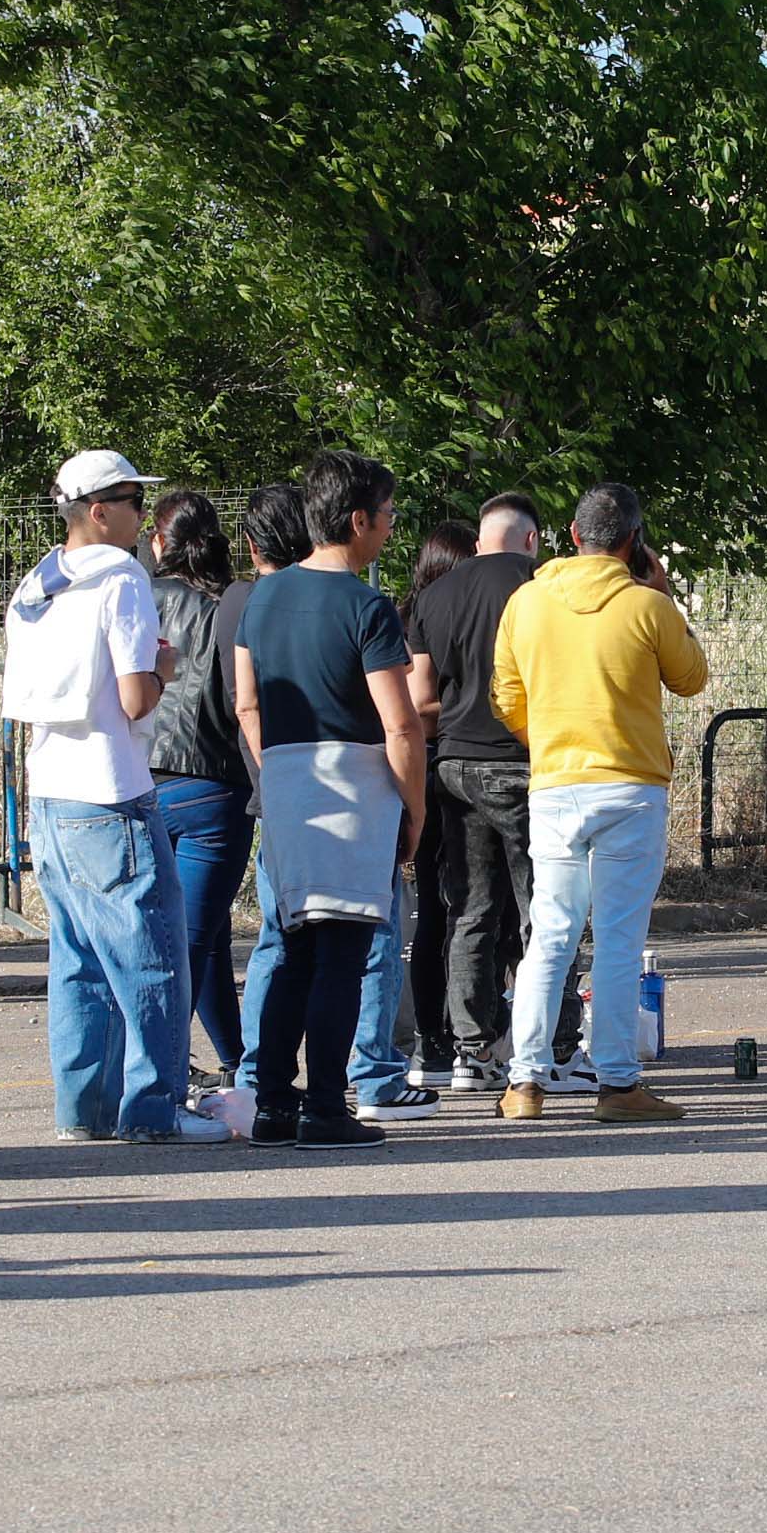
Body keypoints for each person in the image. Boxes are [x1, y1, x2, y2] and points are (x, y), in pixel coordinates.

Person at [0, 450, 222, 1146]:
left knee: (78, 958)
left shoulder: (39, 580)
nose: (139, 516)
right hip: (113, 790)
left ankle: (84, 1110)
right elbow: (133, 698)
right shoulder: (123, 576)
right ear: (99, 509)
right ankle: (155, 1110)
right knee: (151, 953)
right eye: (130, 501)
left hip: (52, 788)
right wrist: (161, 669)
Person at [488, 481, 707, 1125]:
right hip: (631, 788)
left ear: (573, 537)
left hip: (555, 785)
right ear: (633, 543)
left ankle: (524, 1082)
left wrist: (550, 741)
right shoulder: (646, 605)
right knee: (617, 939)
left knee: (549, 934)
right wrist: (665, 596)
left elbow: (506, 697)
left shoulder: (525, 603)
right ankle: (616, 1083)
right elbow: (691, 678)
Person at [231, 449, 430, 1146]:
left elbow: (246, 703)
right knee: (343, 953)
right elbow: (400, 721)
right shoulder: (367, 606)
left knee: (290, 947)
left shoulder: (263, 597)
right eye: (386, 515)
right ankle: (324, 1108)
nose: (390, 526)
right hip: (352, 784)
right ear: (357, 519)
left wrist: (275, 773)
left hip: (284, 781)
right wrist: (415, 807)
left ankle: (273, 1104)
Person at [412, 491, 551, 1097]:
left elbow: (419, 701)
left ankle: (470, 1048)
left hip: (455, 766)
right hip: (524, 764)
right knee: (544, 911)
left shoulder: (433, 595)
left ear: (478, 541)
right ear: (531, 540)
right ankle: (554, 1044)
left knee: (470, 909)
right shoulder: (541, 587)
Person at [141, 490, 257, 1082]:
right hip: (215, 782)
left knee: (177, 939)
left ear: (159, 541)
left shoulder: (138, 599)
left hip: (144, 779)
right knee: (198, 937)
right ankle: (170, 1073)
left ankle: (208, 1062)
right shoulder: (228, 608)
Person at [392, 516, 479, 1098]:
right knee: (456, 910)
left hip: (430, 768)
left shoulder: (412, 614)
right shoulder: (427, 619)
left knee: (445, 910)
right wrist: (468, 709)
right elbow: (411, 705)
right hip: (439, 766)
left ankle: (440, 1038)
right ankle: (442, 1037)